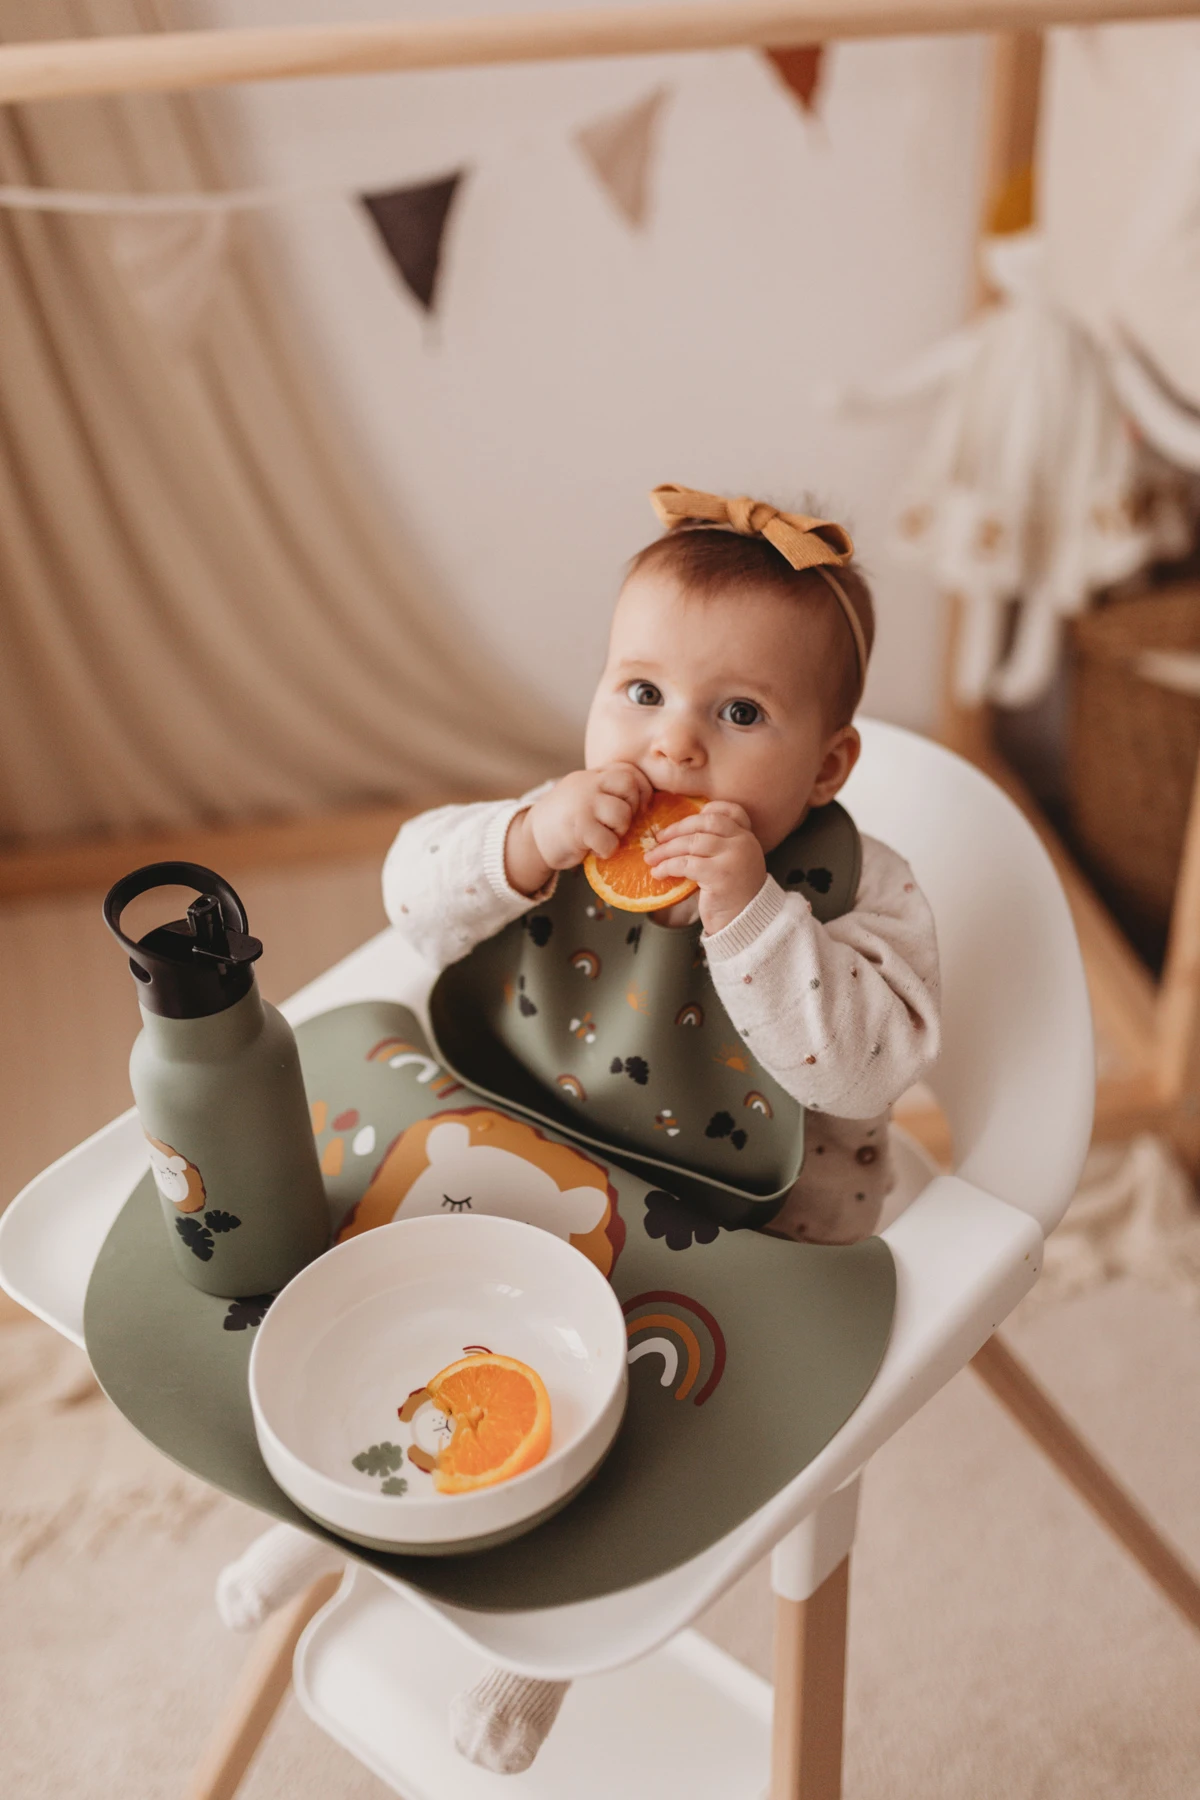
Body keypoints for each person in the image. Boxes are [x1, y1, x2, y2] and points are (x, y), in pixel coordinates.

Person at [215, 484, 942, 1772]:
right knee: (403, 1266)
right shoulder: (575, 823)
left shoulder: (858, 891)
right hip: (553, 1135)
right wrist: (522, 841)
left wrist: (751, 915)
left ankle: (535, 1647)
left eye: (741, 714)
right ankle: (342, 1508)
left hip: (748, 1217)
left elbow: (865, 1072)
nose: (674, 749)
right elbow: (410, 899)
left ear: (829, 764)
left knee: (646, 1394)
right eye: (642, 692)